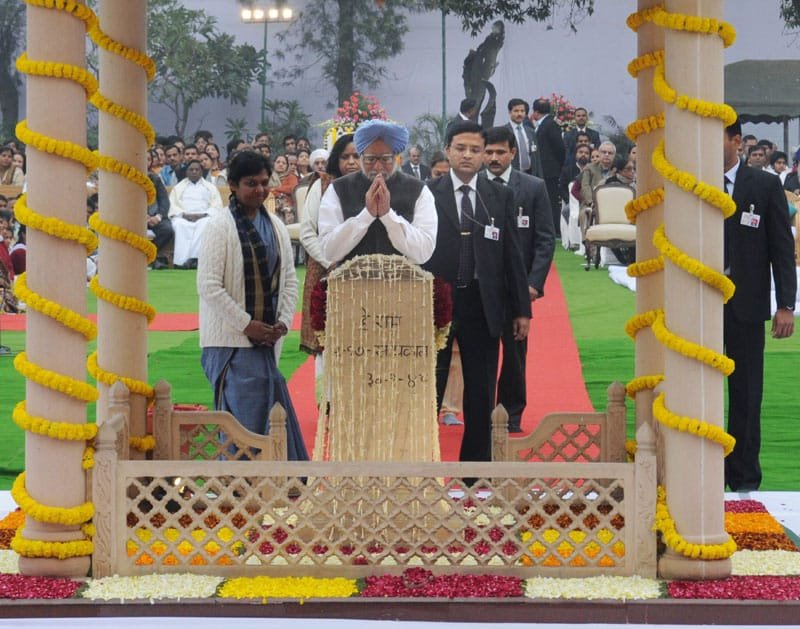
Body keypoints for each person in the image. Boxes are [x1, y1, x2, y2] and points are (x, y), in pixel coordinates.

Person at [424, 121, 531, 465]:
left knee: (481, 389)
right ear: (447, 151)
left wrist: (521, 310)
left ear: (484, 154)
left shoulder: (500, 196)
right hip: (436, 301)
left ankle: (477, 470)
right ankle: (422, 464)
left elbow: (511, 255)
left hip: (484, 303)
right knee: (429, 386)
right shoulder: (427, 193)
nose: (468, 155)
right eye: (460, 148)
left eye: (475, 149)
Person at [197, 150, 308, 461]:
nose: (260, 190)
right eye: (251, 183)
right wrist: (248, 324)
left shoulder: (274, 225)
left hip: (266, 338)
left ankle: (271, 486)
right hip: (230, 342)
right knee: (241, 425)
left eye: (264, 183)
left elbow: (288, 280)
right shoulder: (220, 226)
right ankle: (240, 491)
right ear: (232, 184)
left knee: (270, 417)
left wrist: (282, 323)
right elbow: (208, 286)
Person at [723, 118, 796, 492]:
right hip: (697, 307)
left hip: (746, 305)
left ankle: (743, 478)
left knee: (747, 392)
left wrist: (786, 304)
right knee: (693, 390)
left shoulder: (765, 185)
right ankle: (698, 469)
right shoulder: (691, 184)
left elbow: (782, 248)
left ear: (736, 141)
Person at [482, 125, 555, 433]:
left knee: (514, 355)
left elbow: (544, 240)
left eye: (501, 151)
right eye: (489, 152)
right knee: (481, 354)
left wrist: (533, 285)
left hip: (519, 287)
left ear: (513, 153)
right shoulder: (473, 187)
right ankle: (481, 411)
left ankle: (511, 413)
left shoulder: (534, 187)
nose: (494, 157)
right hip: (481, 286)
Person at [318, 119, 438, 265]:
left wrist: (388, 216)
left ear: (396, 158)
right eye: (370, 159)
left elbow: (423, 252)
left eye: (386, 159)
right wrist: (366, 215)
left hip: (403, 286)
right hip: (351, 285)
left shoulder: (419, 190)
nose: (378, 166)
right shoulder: (338, 189)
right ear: (361, 157)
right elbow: (329, 251)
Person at [298, 134, 359, 403]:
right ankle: (329, 401)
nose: (352, 162)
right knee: (326, 338)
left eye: (357, 156)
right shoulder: (322, 185)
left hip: (361, 274)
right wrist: (331, 262)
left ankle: (355, 398)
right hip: (326, 272)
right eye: (345, 156)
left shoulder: (372, 185)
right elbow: (308, 231)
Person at [168, 159, 224, 268]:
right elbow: (173, 205)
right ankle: (180, 262)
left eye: (197, 169)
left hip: (204, 217)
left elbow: (216, 206)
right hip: (183, 217)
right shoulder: (178, 188)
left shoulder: (210, 187)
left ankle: (195, 259)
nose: (194, 172)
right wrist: (184, 215)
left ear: (201, 172)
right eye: (191, 169)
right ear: (187, 172)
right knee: (179, 225)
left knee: (205, 224)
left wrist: (202, 215)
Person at [531, 98, 566, 239]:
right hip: (543, 170)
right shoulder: (543, 124)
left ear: (535, 112)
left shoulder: (550, 125)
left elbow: (559, 147)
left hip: (550, 171)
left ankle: (555, 230)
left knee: (551, 201)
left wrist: (558, 165)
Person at [146, 151, 174, 269]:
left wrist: (158, 216)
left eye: (148, 159)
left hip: (154, 216)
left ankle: (151, 256)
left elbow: (164, 201)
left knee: (167, 230)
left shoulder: (154, 178)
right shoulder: (128, 178)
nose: (144, 161)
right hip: (133, 217)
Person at [505, 98, 538, 175]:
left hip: (530, 174)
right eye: (516, 111)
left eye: (522, 111)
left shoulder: (530, 131)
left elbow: (536, 156)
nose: (519, 114)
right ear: (510, 112)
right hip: (512, 174)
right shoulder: (504, 131)